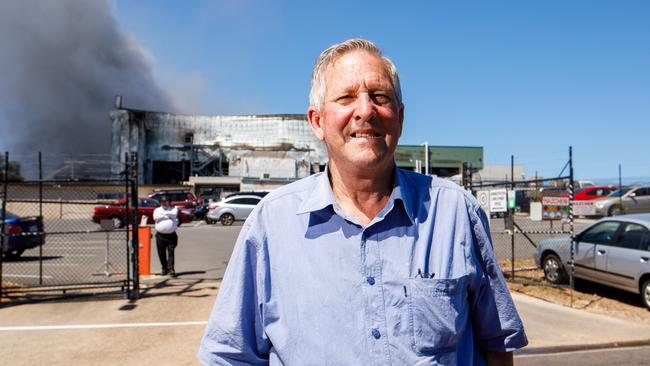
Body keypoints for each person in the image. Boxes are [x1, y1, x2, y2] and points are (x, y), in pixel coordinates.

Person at [198, 38, 527, 365]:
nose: (366, 110)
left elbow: (496, 344)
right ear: (317, 122)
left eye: (379, 97)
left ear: (399, 117)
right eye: (346, 97)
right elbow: (230, 356)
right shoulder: (272, 223)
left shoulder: (455, 212)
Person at [153, 196, 178, 277]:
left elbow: (174, 215)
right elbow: (156, 217)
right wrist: (167, 215)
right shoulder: (157, 210)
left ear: (168, 202)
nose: (164, 203)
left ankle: (171, 269)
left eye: (166, 201)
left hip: (171, 235)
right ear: (160, 202)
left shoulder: (173, 209)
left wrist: (163, 215)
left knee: (171, 252)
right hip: (160, 235)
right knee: (161, 253)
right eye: (163, 201)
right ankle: (164, 268)